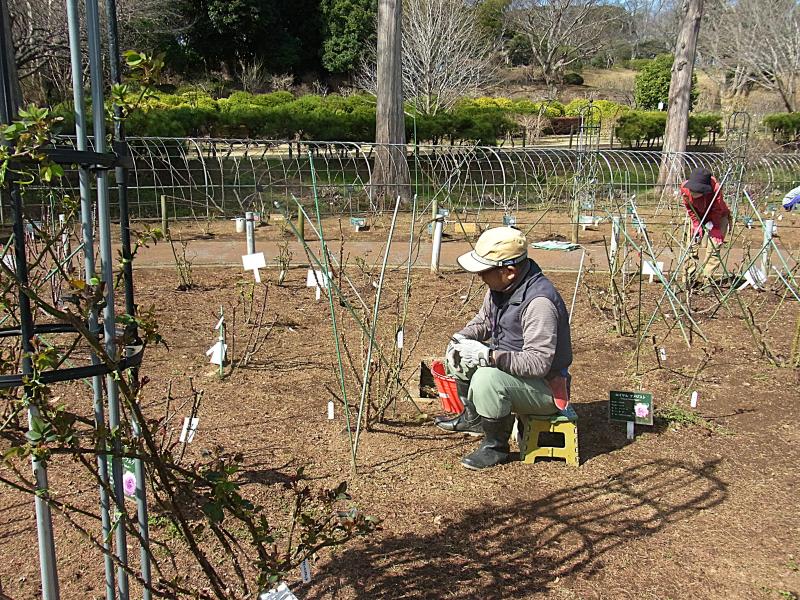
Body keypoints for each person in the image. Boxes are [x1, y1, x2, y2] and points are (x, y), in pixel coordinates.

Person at [435, 227, 573, 470]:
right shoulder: (501, 289)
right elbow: (483, 321)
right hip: (516, 372)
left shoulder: (539, 303)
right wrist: (461, 339)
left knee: (487, 378)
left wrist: (488, 356)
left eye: (484, 271)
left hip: (546, 387)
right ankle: (473, 419)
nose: (480, 277)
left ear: (509, 271)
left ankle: (495, 446)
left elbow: (538, 363)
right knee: (461, 356)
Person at [679, 167, 731, 287]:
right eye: (692, 190)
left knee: (714, 247)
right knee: (691, 246)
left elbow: (717, 209)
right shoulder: (685, 188)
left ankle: (707, 281)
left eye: (696, 192)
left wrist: (716, 228)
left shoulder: (715, 189)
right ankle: (687, 281)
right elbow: (689, 208)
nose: (693, 193)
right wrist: (696, 223)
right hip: (697, 215)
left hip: (718, 216)